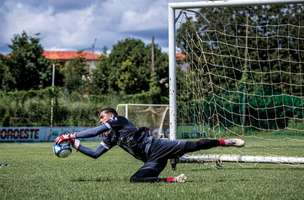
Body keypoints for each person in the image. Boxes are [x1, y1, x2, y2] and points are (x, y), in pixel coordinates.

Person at [55, 107, 245, 183]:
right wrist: (77, 145)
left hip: (158, 147)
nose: (100, 120)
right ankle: (173, 180)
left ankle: (225, 142)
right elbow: (96, 154)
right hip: (152, 159)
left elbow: (94, 131)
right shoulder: (112, 137)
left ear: (111, 116)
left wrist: (68, 135)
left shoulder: (118, 120)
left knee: (194, 145)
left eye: (102, 117)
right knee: (135, 180)